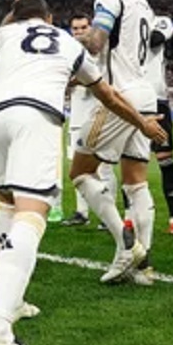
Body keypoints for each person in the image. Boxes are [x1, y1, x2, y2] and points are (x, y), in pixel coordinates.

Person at [0, 0, 167, 345]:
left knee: (8, 207)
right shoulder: (68, 42)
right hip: (35, 117)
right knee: (33, 215)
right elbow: (106, 94)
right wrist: (142, 123)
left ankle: (14, 300)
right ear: (49, 16)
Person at [70, 0, 161, 285]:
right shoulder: (142, 1)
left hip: (119, 96)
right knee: (136, 182)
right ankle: (144, 266)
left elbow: (95, 43)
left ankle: (126, 247)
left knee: (80, 172)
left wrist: (63, 42)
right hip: (144, 92)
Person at [60, 13, 118, 229]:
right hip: (76, 116)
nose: (79, 32)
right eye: (75, 29)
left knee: (103, 168)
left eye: (83, 28)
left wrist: (77, 79)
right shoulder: (69, 54)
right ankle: (81, 212)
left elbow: (99, 80)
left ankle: (106, 216)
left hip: (98, 114)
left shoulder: (101, 51)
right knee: (78, 168)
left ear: (91, 29)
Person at [145, 14, 173, 238]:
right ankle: (129, 217)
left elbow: (154, 38)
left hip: (156, 100)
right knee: (131, 162)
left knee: (166, 159)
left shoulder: (160, 21)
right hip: (129, 99)